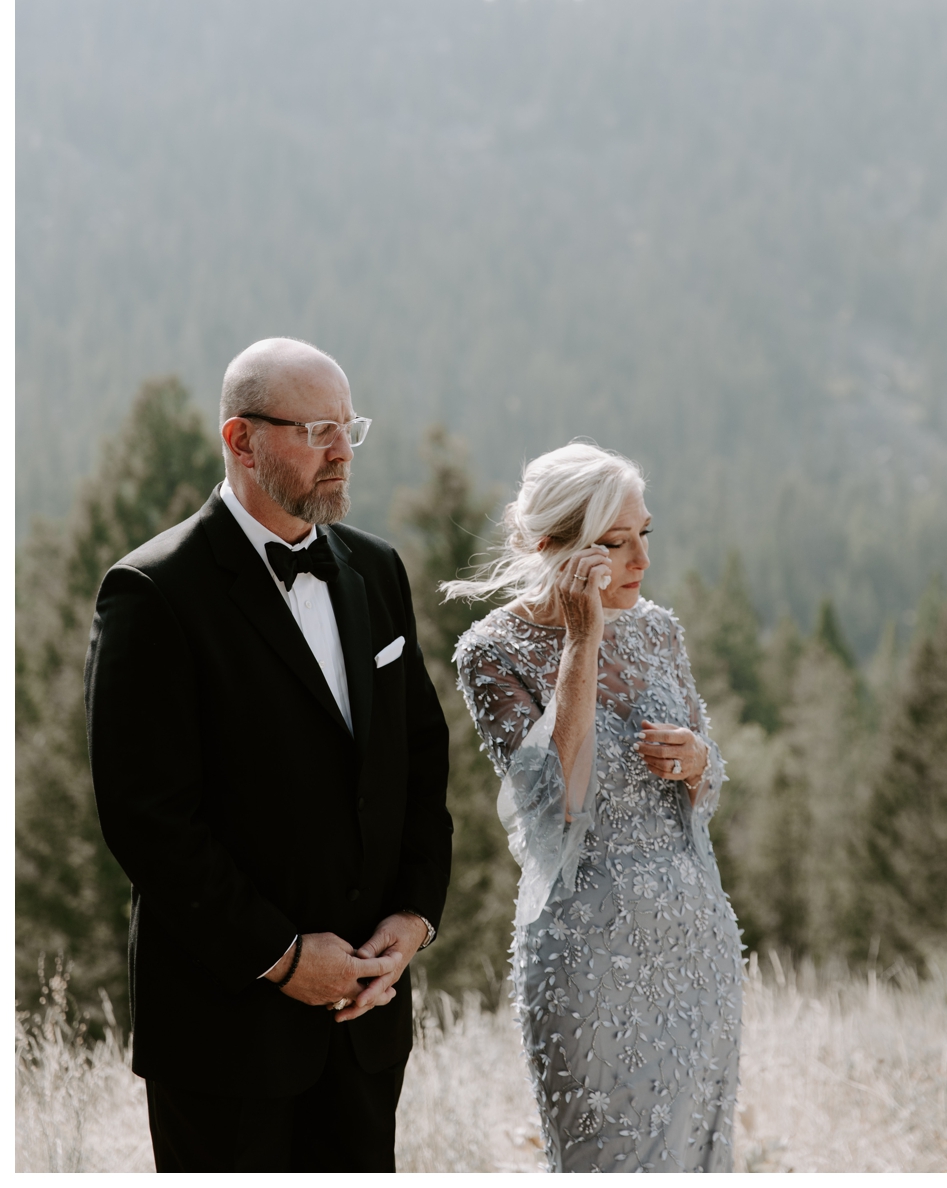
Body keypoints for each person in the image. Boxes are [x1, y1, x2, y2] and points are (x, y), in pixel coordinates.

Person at [86, 337, 453, 1171]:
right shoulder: (152, 593)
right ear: (240, 441)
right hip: (225, 1031)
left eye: (347, 429)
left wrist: (414, 916)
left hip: (365, 1022)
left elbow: (422, 762)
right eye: (314, 431)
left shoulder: (376, 570)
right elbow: (146, 822)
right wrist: (284, 959)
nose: (339, 452)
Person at [451, 442, 741, 1172]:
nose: (641, 559)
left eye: (646, 533)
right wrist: (582, 640)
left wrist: (699, 761)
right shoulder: (493, 650)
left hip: (696, 945)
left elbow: (707, 783)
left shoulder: (660, 630)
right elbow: (558, 808)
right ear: (554, 548)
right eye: (615, 544)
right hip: (587, 956)